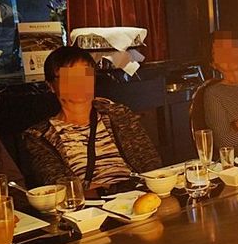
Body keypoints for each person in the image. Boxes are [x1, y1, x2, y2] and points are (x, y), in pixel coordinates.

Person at [22, 46, 162, 191]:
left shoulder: (119, 115)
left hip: (139, 193)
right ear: (51, 85)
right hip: (89, 202)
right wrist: (107, 190)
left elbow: (151, 163)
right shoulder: (38, 137)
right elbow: (59, 185)